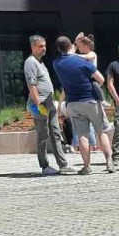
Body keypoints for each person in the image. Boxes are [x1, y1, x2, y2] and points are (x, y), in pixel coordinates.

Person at [53, 36, 113, 175]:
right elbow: (101, 79)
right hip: (91, 100)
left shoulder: (57, 63)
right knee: (101, 132)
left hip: (73, 103)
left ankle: (86, 166)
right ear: (71, 46)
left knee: (82, 135)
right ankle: (109, 162)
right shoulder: (82, 62)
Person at [24, 35, 73, 176]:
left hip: (49, 102)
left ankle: (63, 165)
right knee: (43, 135)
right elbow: (31, 84)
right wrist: (38, 103)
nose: (44, 48)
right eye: (41, 46)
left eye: (45, 45)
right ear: (33, 47)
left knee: (56, 133)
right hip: (40, 104)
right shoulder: (30, 62)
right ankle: (44, 166)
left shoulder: (40, 62)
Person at [73, 32, 110, 148]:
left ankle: (103, 99)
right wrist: (76, 42)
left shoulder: (91, 54)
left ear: (86, 46)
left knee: (96, 85)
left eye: (80, 46)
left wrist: (75, 55)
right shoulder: (83, 54)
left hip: (93, 76)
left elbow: (86, 57)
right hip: (87, 80)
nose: (79, 49)